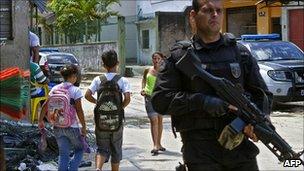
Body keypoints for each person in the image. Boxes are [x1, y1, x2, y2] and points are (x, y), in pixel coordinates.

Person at [151, 0, 273, 170]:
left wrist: (260, 120)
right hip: (200, 152)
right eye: (208, 10)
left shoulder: (240, 53)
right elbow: (160, 100)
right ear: (193, 16)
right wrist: (202, 102)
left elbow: (262, 94)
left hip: (239, 150)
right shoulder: (180, 57)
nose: (215, 15)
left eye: (218, 11)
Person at [85, 50, 131, 171]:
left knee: (101, 148)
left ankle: (98, 169)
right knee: (116, 148)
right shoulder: (122, 80)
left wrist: (98, 104)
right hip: (117, 120)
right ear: (118, 63)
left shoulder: (98, 79)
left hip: (101, 120)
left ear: (103, 65)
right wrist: (119, 108)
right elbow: (127, 98)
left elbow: (87, 95)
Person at [38, 64, 87, 171]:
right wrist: (83, 126)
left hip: (57, 126)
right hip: (72, 126)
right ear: (73, 76)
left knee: (63, 153)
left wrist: (40, 120)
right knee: (80, 149)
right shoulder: (75, 90)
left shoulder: (55, 88)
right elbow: (79, 110)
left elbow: (45, 105)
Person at [140, 52, 166, 156]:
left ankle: (159, 144)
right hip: (149, 97)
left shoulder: (164, 71)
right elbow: (144, 80)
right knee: (153, 120)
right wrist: (143, 88)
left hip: (160, 98)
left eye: (158, 58)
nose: (156, 60)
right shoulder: (148, 70)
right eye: (154, 58)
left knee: (160, 120)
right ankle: (155, 145)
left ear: (162, 59)